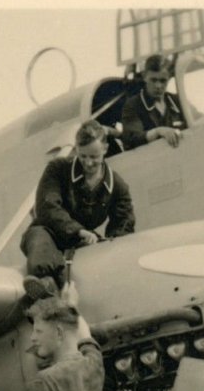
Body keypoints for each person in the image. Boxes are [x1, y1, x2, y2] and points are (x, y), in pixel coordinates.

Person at [19, 120, 135, 300]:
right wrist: (78, 230)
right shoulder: (57, 169)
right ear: (76, 149)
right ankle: (45, 287)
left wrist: (109, 247)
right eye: (83, 156)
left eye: (94, 157)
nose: (88, 163)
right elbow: (47, 207)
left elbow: (123, 225)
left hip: (83, 241)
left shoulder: (117, 185)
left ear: (105, 149)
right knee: (38, 242)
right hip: (49, 232)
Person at [120, 55, 187, 150]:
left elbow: (197, 121)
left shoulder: (177, 101)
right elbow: (131, 139)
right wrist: (158, 131)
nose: (158, 86)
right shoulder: (133, 104)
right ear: (144, 76)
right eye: (153, 80)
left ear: (169, 78)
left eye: (163, 81)